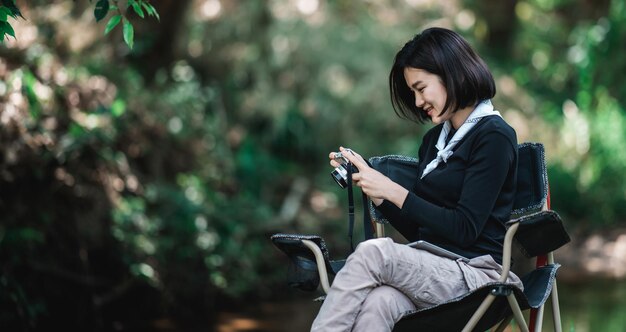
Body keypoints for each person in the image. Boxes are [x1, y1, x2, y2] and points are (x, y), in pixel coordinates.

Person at [311, 27, 523, 331]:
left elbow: (464, 229)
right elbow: (422, 232)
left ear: (450, 73)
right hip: (434, 270)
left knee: (373, 252)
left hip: (478, 276)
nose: (418, 100)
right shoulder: (434, 141)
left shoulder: (494, 136)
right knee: (378, 302)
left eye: (421, 88)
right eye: (412, 92)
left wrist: (395, 191)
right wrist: (380, 196)